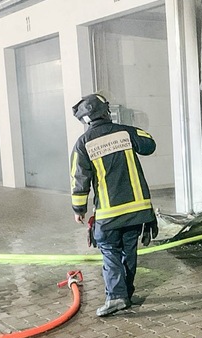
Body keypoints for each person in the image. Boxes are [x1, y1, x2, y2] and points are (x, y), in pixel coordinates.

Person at [69, 93, 158, 317]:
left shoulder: (83, 144)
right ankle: (126, 293)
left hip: (109, 213)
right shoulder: (125, 132)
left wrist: (79, 209)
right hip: (137, 210)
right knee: (129, 251)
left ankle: (116, 298)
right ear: (107, 112)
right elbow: (149, 145)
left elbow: (79, 179)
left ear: (85, 120)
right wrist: (131, 129)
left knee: (110, 252)